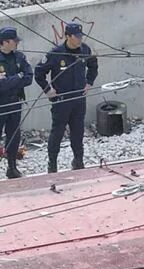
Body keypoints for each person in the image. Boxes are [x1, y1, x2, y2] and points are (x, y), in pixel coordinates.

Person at [33, 22, 97, 173]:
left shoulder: (85, 49)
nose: (79, 39)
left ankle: (78, 161)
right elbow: (39, 73)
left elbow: (93, 65)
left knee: (78, 132)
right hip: (61, 100)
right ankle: (52, 164)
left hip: (79, 99)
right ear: (68, 36)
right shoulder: (56, 54)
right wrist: (48, 90)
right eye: (76, 37)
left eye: (81, 36)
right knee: (57, 133)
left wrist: (89, 82)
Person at [1, 26, 31, 179]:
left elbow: (29, 77)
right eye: (14, 41)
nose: (17, 43)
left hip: (15, 102)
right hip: (1, 103)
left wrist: (11, 80)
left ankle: (12, 167)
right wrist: (18, 78)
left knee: (13, 135)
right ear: (5, 42)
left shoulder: (19, 57)